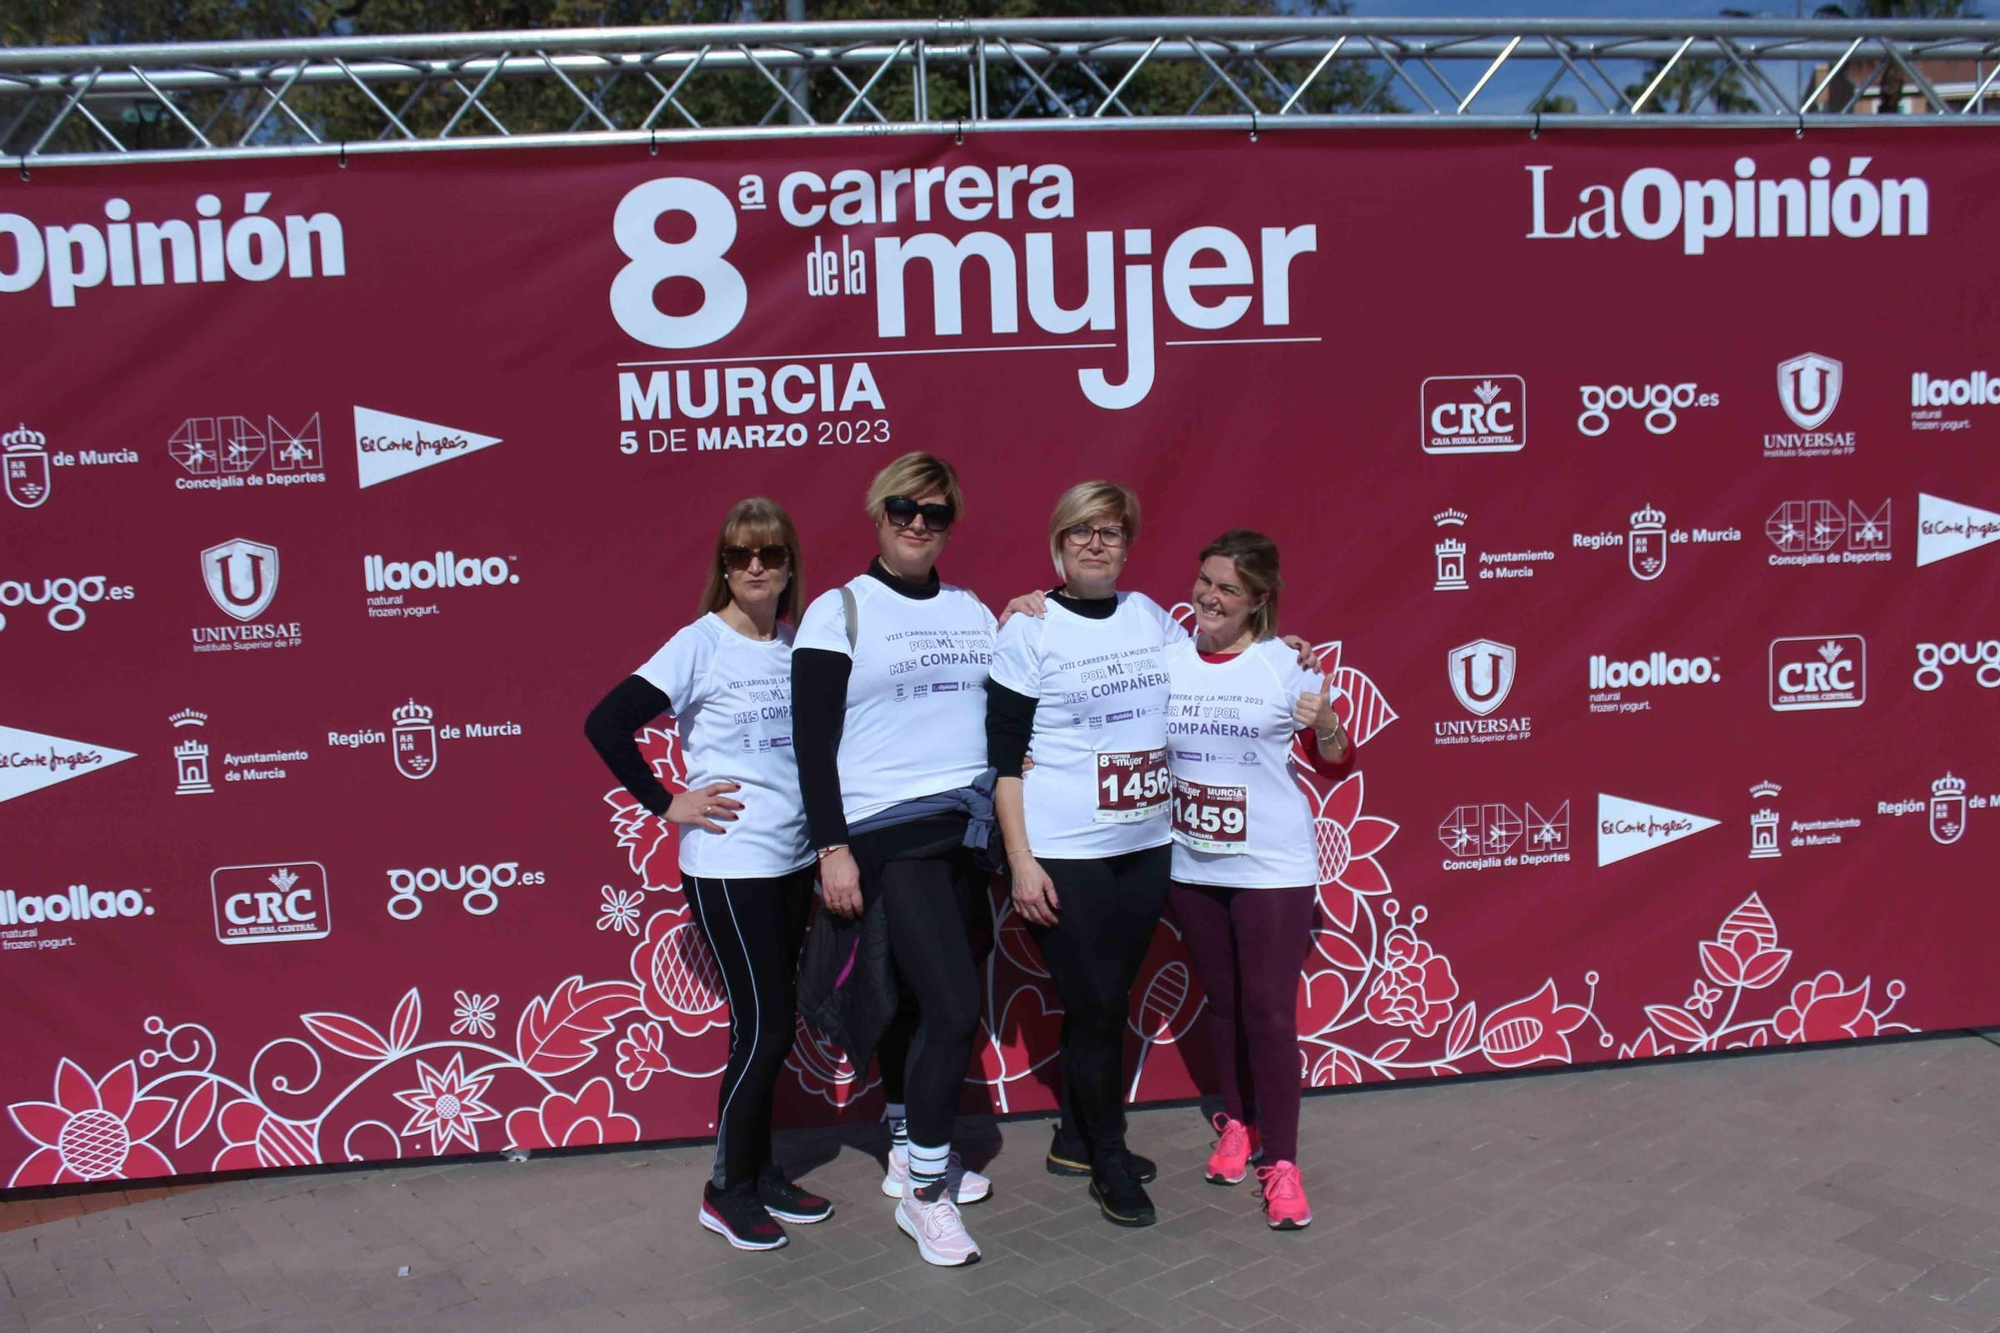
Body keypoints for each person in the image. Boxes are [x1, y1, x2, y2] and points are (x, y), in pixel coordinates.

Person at [583, 497, 832, 1252]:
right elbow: (606, 722)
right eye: (739, 555)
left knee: (760, 1027)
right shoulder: (699, 644)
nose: (755, 567)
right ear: (723, 565)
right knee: (768, 1025)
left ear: (790, 563)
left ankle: (757, 1172)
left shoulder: (797, 641)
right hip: (729, 865)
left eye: (770, 554)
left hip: (792, 860)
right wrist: (667, 801)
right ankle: (725, 1189)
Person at [791, 452, 999, 1268]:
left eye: (936, 512)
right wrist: (832, 847)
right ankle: (926, 1192)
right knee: (952, 1008)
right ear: (878, 513)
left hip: (966, 834)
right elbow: (813, 743)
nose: (919, 523)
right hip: (884, 834)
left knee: (916, 996)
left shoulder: (974, 608)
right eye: (904, 508)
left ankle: (911, 1137)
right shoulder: (839, 610)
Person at [986, 481, 1180, 1228]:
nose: (1096, 542)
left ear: (1128, 543)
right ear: (1058, 545)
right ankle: (1108, 1157)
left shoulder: (1151, 617)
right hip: (1063, 849)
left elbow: (1204, 682)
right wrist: (1021, 857)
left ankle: (1074, 1134)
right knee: (1097, 1001)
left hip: (1145, 845)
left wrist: (1277, 649)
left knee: (1108, 1001)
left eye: (1110, 530)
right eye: (1080, 532)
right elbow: (1003, 758)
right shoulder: (1028, 630)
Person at [1165, 529, 1348, 1232]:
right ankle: (1237, 1124)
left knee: (1269, 1010)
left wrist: (1328, 720)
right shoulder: (1167, 657)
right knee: (1223, 1001)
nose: (1209, 597)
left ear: (1259, 600)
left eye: (1228, 589)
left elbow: (1335, 761)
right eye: (1205, 580)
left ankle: (1285, 1162)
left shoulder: (1285, 666)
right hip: (1191, 863)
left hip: (1271, 867)